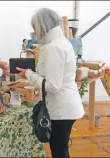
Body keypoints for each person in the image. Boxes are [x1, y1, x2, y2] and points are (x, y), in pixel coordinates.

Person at [16, 8, 84, 158]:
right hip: (65, 105)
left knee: (59, 152)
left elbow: (52, 85)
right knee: (60, 149)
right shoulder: (59, 42)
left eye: (35, 29)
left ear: (42, 26)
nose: (34, 33)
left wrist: (28, 74)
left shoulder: (54, 47)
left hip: (62, 109)